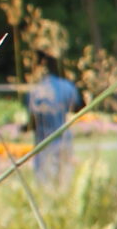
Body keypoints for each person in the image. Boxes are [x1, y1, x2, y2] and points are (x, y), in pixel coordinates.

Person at [22, 54, 81, 182]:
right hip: (63, 140)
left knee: (44, 183)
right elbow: (77, 108)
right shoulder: (68, 87)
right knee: (64, 181)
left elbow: (33, 121)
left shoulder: (33, 91)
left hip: (43, 142)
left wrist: (24, 128)